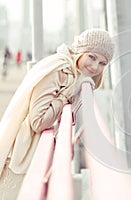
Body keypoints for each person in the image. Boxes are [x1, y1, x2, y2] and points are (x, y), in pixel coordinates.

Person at [0, 28, 114, 199]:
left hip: (33, 152)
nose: (95, 66)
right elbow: (38, 122)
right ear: (81, 50)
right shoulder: (59, 69)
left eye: (102, 63)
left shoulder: (72, 72)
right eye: (92, 56)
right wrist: (68, 94)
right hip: (21, 152)